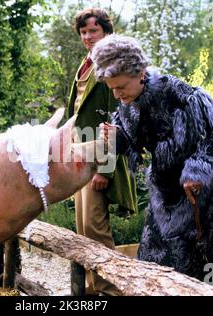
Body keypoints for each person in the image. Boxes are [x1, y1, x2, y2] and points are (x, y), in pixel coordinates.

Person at [93, 34, 213, 288]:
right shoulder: (127, 104)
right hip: (165, 187)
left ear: (140, 72)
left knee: (201, 256)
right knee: (153, 257)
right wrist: (116, 138)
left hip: (203, 186)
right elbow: (133, 144)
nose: (117, 94)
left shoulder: (177, 92)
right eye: (112, 88)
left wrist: (197, 169)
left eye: (121, 87)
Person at [67, 9, 137, 296]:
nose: (87, 37)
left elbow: (115, 119)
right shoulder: (85, 64)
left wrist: (105, 169)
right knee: (83, 229)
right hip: (80, 155)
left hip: (100, 159)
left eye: (92, 31)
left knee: (95, 229)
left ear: (105, 31)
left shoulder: (110, 66)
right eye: (83, 32)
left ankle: (112, 291)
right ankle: (91, 291)